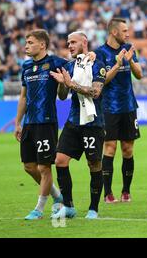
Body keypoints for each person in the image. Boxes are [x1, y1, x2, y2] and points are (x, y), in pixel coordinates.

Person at [50, 31, 106, 220]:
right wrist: (62, 84)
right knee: (60, 160)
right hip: (73, 121)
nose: (70, 46)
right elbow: (63, 96)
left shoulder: (97, 65)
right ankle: (69, 206)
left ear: (84, 42)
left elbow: (95, 92)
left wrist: (71, 84)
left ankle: (93, 208)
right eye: (68, 43)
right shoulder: (69, 66)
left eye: (73, 42)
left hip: (92, 122)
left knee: (94, 164)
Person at [14, 29, 65, 220]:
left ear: (42, 44)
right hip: (29, 123)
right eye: (26, 43)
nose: (26, 46)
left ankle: (39, 209)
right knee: (29, 166)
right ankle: (58, 196)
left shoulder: (55, 62)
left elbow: (65, 88)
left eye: (30, 42)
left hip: (46, 122)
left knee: (44, 168)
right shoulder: (26, 66)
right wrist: (18, 123)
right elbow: (23, 96)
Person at [95, 18, 143, 204]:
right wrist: (118, 64)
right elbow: (102, 80)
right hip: (108, 107)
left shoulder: (130, 48)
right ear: (114, 32)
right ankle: (108, 193)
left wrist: (129, 62)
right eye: (124, 31)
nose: (128, 34)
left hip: (129, 106)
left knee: (128, 149)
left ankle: (126, 191)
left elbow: (139, 75)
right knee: (110, 147)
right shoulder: (100, 53)